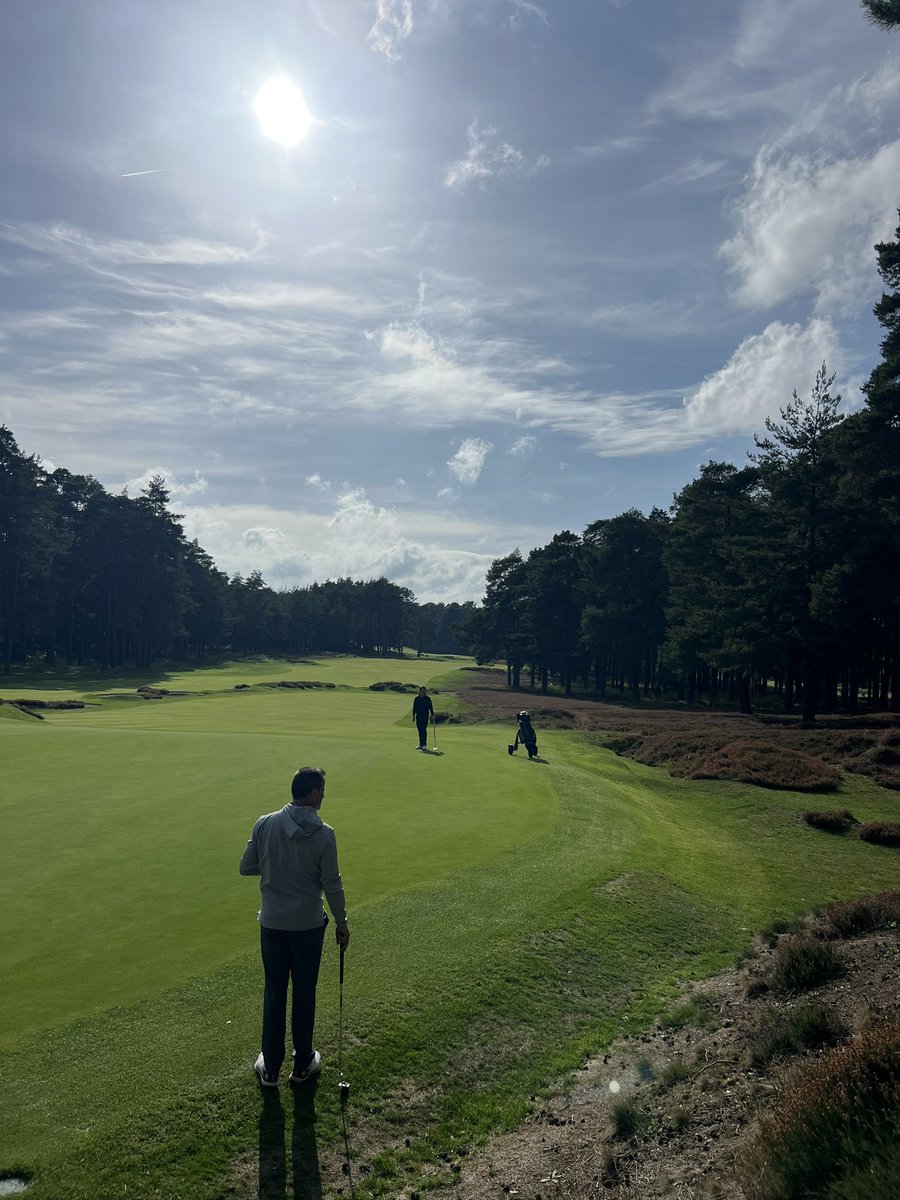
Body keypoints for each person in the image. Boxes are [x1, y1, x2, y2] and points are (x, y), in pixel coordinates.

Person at [239, 766, 350, 1088]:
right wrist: (342, 924)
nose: (324, 796)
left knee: (275, 992)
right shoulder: (324, 834)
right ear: (313, 793)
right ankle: (302, 1065)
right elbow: (332, 884)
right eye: (323, 791)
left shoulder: (265, 823)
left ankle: (270, 1068)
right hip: (307, 926)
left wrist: (276, 863)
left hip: (272, 923)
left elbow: (247, 866)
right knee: (304, 992)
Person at [412, 685, 434, 750]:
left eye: (425, 691)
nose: (424, 692)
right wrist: (413, 716)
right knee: (419, 731)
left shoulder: (427, 699)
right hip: (418, 717)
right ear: (420, 691)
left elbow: (431, 707)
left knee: (423, 730)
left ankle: (424, 744)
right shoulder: (416, 699)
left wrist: (432, 715)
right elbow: (414, 708)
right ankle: (420, 744)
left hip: (425, 716)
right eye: (423, 691)